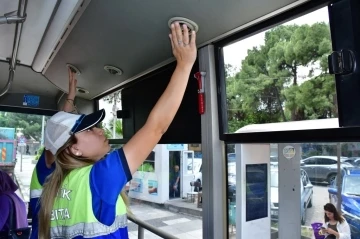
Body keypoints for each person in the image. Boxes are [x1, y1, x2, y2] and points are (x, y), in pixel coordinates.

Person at [38, 22, 197, 239]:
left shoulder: (54, 188)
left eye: (96, 126)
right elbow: (155, 128)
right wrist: (185, 65)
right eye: (89, 130)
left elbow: (57, 143)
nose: (101, 131)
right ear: (73, 150)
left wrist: (71, 98)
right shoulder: (98, 178)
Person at [28, 67, 78, 239]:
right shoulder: (47, 164)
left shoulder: (59, 163)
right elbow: (57, 132)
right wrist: (70, 98)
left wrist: (71, 96)